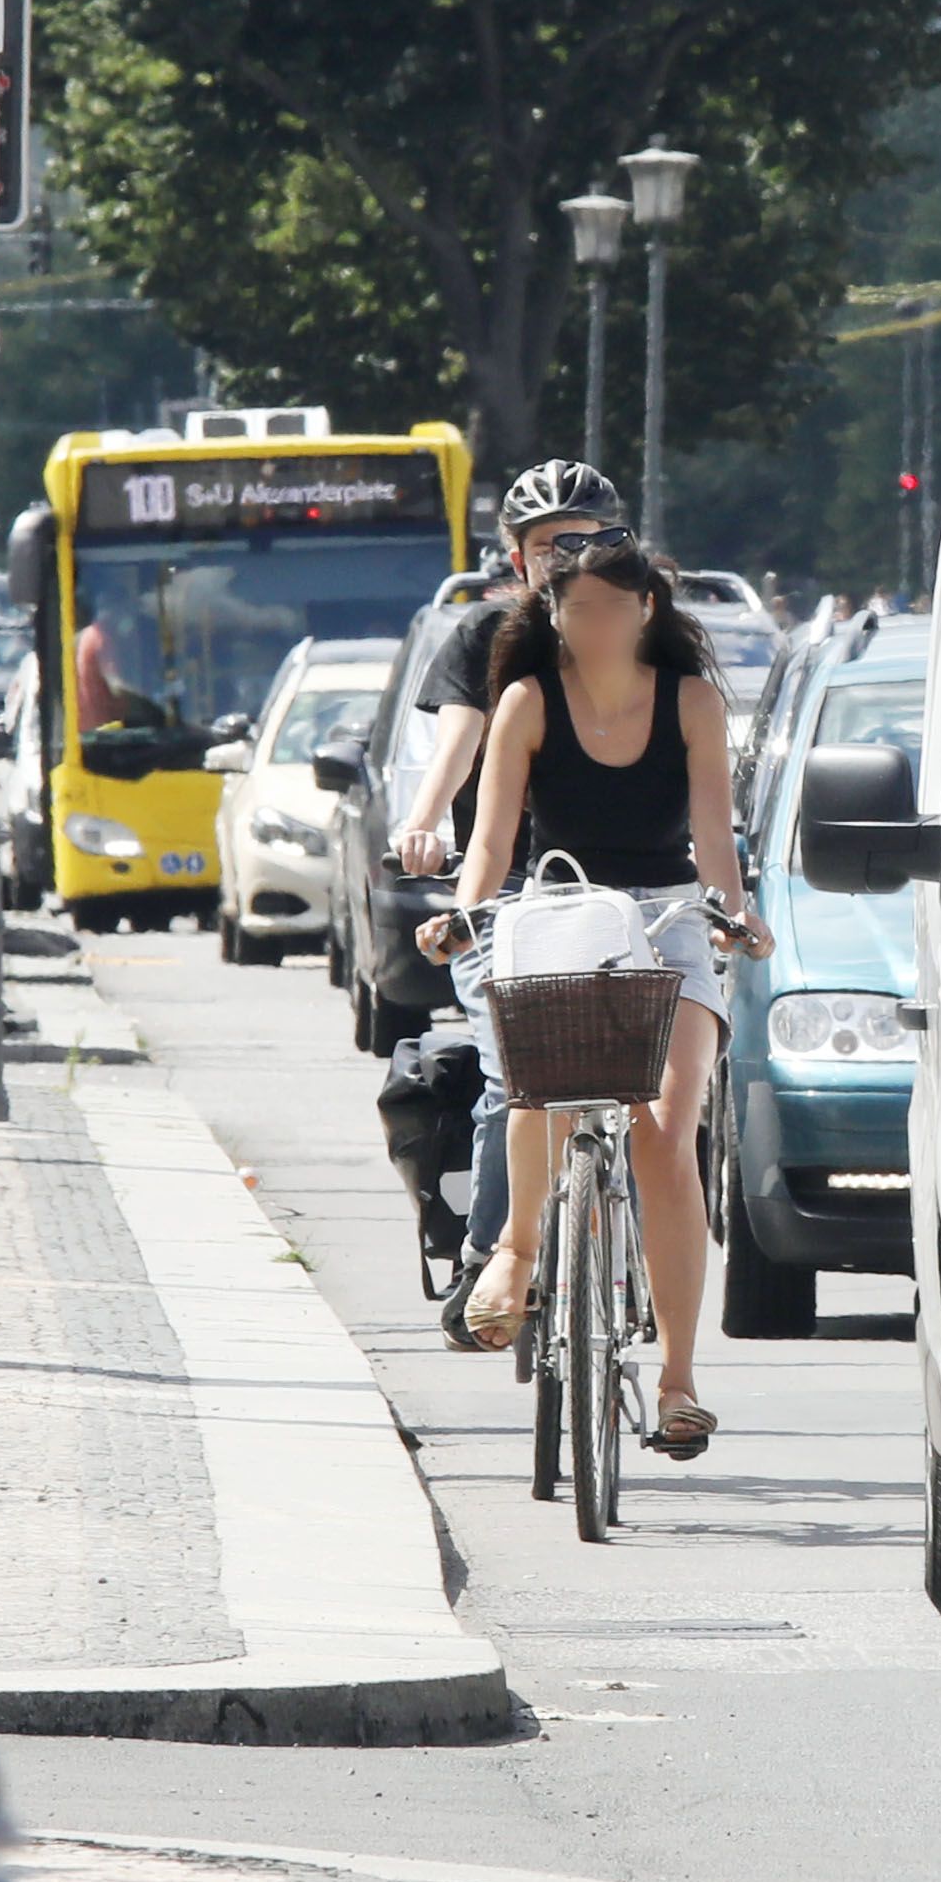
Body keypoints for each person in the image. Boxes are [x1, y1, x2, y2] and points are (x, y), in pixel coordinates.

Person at [427, 539, 761, 1449]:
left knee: (664, 1125)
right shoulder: (527, 703)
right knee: (540, 1079)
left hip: (667, 917)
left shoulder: (690, 701)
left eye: (617, 607)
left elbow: (714, 846)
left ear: (649, 608)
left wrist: (734, 917)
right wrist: (463, 915)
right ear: (553, 613)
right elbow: (492, 847)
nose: (599, 624)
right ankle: (515, 1254)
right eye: (580, 610)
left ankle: (680, 1381)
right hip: (560, 905)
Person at [401, 462, 629, 1302]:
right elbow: (457, 739)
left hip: (624, 901)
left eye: (585, 540)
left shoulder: (645, 634)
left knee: (659, 1079)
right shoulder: (486, 638)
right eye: (545, 546)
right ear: (516, 558)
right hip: (508, 901)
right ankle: (489, 1258)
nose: (566, 557)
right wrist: (425, 820)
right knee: (515, 1068)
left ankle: (624, 1238)